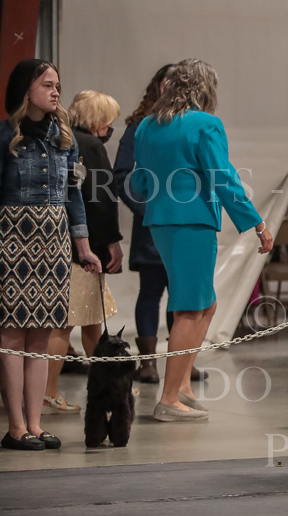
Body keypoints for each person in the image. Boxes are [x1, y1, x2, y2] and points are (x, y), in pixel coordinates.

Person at [131, 59, 274, 421]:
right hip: (192, 220)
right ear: (205, 88)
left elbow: (138, 182)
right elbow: (223, 177)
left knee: (204, 305)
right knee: (191, 307)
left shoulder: (146, 125)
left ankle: (182, 387)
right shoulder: (206, 124)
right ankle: (169, 399)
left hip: (160, 220)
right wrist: (257, 223)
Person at [0, 59, 102, 450]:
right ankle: (15, 426)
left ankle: (35, 423)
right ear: (26, 89)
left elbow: (73, 195)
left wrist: (84, 247)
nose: (56, 91)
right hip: (12, 238)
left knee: (41, 335)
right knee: (12, 333)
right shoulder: (5, 135)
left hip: (53, 241)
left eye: (58, 85)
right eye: (47, 85)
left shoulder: (65, 137)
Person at [114, 64, 206, 384]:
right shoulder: (141, 125)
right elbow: (123, 176)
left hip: (185, 225)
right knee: (151, 292)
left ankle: (180, 362)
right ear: (158, 86)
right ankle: (148, 362)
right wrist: (150, 210)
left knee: (182, 293)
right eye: (168, 81)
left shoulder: (189, 124)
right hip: (152, 225)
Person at [41, 90, 124, 414]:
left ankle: (108, 384)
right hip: (84, 248)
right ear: (97, 118)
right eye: (109, 119)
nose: (111, 126)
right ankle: (48, 390)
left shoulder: (63, 140)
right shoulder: (90, 146)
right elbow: (101, 201)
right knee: (66, 323)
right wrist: (111, 242)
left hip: (60, 241)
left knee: (91, 321)